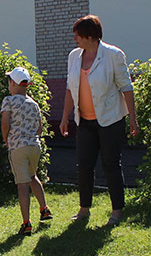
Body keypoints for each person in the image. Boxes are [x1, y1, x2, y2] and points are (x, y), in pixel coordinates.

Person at [59, 14, 139, 225]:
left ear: (90, 36)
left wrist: (133, 118)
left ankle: (117, 211)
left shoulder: (113, 55)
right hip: (84, 121)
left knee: (111, 164)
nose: (75, 39)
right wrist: (65, 116)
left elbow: (126, 88)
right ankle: (84, 209)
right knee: (84, 165)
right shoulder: (74, 56)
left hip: (110, 120)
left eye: (78, 35)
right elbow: (70, 88)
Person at [1, 67, 52, 235]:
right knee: (32, 177)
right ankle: (44, 209)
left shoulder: (9, 101)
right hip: (34, 146)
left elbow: (5, 123)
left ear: (13, 83)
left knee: (22, 184)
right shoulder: (33, 103)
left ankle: (26, 222)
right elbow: (39, 127)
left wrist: (6, 138)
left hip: (18, 147)